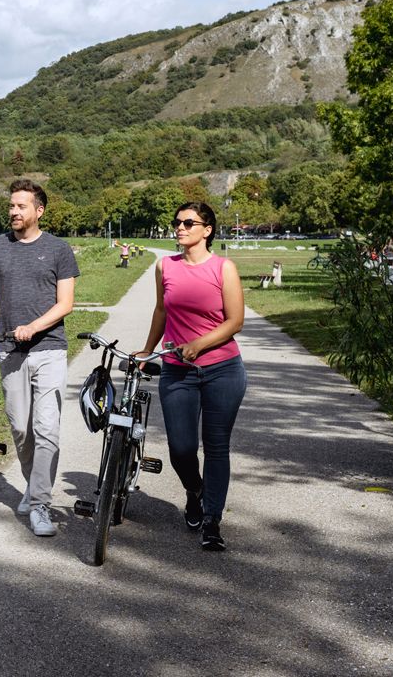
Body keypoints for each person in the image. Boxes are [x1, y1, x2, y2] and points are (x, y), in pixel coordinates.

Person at [0, 179, 80, 537]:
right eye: (11, 206)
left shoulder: (59, 250)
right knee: (20, 427)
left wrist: (33, 326)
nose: (14, 211)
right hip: (8, 350)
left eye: (21, 206)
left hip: (49, 349)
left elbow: (66, 304)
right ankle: (34, 488)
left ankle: (41, 503)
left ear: (39, 211)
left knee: (46, 428)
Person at [135, 201, 246, 552]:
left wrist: (199, 344)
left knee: (216, 448)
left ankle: (212, 520)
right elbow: (162, 310)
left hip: (222, 370)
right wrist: (147, 348)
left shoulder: (223, 268)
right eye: (177, 222)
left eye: (188, 222)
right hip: (177, 370)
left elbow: (235, 321)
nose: (180, 227)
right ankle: (194, 490)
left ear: (207, 230)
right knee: (181, 449)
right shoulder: (164, 266)